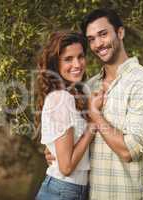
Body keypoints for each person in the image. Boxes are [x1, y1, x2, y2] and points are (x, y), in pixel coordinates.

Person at [45, 9, 143, 200]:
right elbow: (72, 140)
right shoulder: (88, 87)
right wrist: (55, 151)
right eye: (91, 39)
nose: (98, 44)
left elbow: (128, 151)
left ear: (120, 33)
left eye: (103, 34)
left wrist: (95, 114)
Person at [35, 31, 102, 200]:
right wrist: (93, 124)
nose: (77, 64)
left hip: (68, 190)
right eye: (68, 59)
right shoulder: (62, 98)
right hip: (63, 191)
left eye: (80, 56)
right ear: (55, 64)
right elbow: (66, 167)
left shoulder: (71, 95)